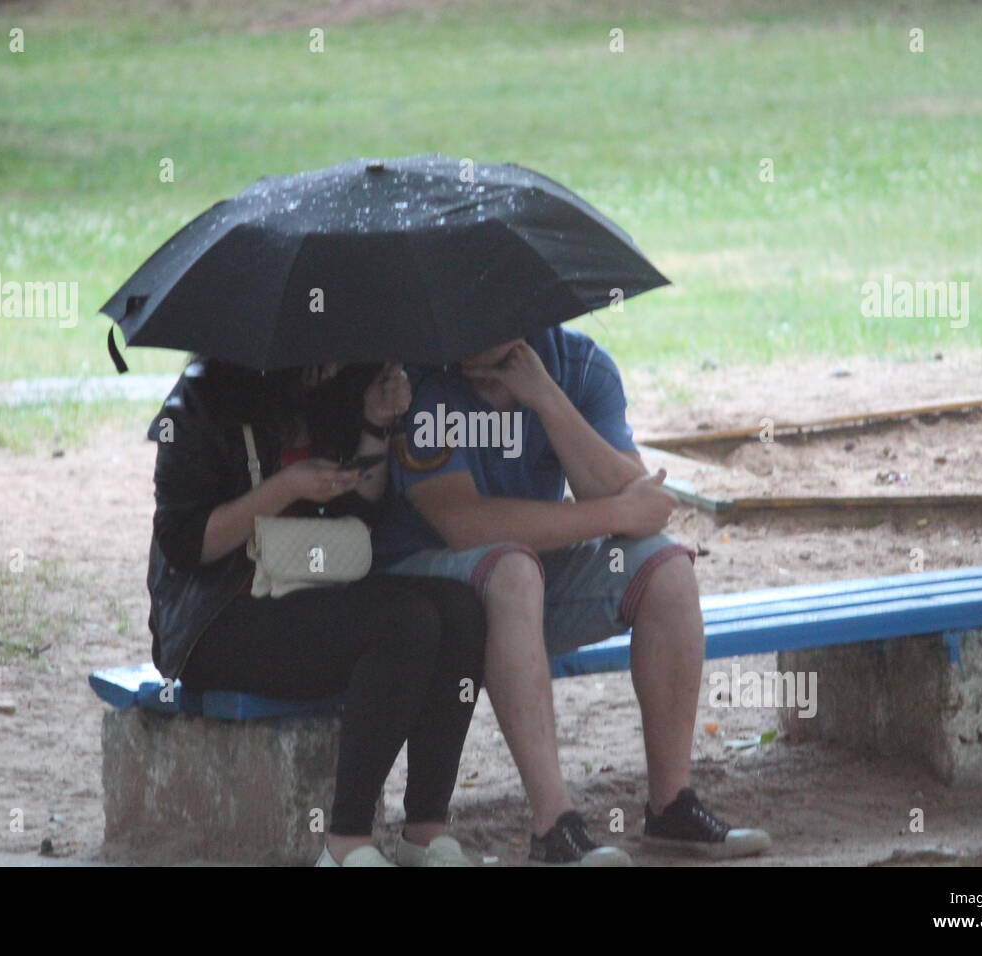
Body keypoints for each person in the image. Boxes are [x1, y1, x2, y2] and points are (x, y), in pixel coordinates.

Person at [373, 326, 772, 866]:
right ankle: (554, 826)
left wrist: (548, 399)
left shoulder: (580, 366)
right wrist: (613, 513)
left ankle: (670, 806)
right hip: (427, 589)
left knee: (666, 568)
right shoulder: (419, 376)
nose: (476, 317)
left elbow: (641, 501)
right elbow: (463, 524)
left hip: (529, 575)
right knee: (513, 569)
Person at [146, 356, 487, 867]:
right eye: (315, 351)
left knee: (460, 609)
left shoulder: (333, 391)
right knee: (403, 622)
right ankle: (346, 842)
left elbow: (359, 514)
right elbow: (187, 545)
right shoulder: (197, 402)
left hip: (308, 592)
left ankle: (425, 831)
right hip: (215, 619)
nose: (326, 364)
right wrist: (285, 488)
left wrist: (374, 423)